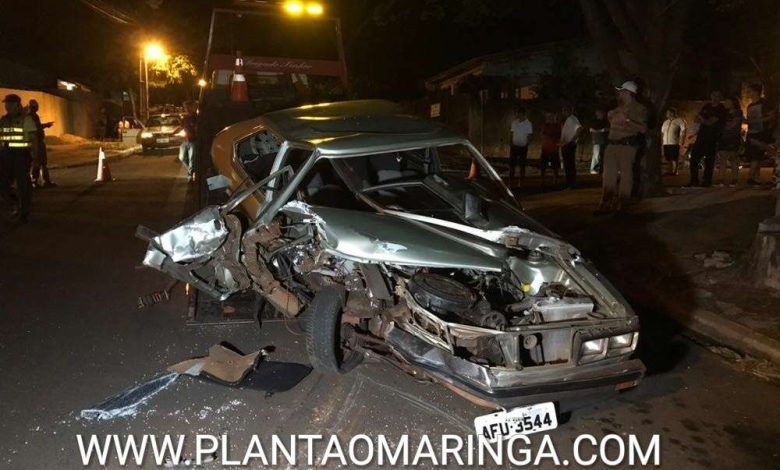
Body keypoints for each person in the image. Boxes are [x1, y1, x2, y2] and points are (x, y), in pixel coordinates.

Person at [596, 81, 648, 214]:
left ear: (628, 93)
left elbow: (643, 129)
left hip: (627, 147)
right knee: (608, 176)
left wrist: (628, 120)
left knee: (626, 176)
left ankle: (622, 205)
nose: (619, 93)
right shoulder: (616, 108)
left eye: (621, 91)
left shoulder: (639, 109)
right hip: (611, 145)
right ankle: (605, 204)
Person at [0, 94, 38, 222]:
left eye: (9, 104)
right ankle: (16, 204)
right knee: (3, 185)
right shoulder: (3, 120)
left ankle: (24, 211)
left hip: (21, 156)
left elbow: (34, 140)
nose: (7, 106)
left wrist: (36, 159)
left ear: (17, 105)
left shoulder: (26, 119)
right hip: (5, 156)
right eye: (6, 104)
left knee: (23, 185)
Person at [689, 91, 726, 187]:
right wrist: (702, 119)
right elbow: (696, 118)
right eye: (713, 95)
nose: (715, 98)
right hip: (701, 136)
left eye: (717, 96)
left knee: (709, 160)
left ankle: (706, 180)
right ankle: (694, 180)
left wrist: (703, 119)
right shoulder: (706, 106)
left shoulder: (721, 109)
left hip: (712, 137)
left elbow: (710, 122)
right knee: (694, 158)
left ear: (720, 97)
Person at [745, 83, 773, 185]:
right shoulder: (750, 105)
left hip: (761, 132)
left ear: (756, 92)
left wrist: (760, 120)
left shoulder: (764, 103)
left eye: (750, 90)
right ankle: (755, 178)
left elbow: (771, 116)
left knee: (757, 156)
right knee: (754, 156)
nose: (748, 93)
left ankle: (751, 177)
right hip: (752, 132)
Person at [27, 99, 55, 187]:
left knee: (43, 162)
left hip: (38, 141)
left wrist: (46, 125)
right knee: (37, 162)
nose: (37, 108)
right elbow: (35, 129)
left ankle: (45, 181)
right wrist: (46, 125)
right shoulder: (31, 116)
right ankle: (34, 181)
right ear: (33, 107)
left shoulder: (34, 116)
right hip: (36, 142)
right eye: (36, 106)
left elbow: (38, 127)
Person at [717, 96, 743, 186]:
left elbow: (733, 125)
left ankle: (734, 179)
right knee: (723, 158)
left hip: (733, 137)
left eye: (728, 102)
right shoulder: (724, 113)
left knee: (733, 158)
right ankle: (720, 179)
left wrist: (724, 125)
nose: (725, 104)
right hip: (723, 138)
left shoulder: (738, 112)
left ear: (733, 103)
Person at [507, 106, 532, 188]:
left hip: (523, 147)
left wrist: (526, 144)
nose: (518, 116)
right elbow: (511, 133)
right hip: (514, 147)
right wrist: (511, 143)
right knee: (512, 165)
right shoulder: (514, 122)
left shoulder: (528, 124)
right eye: (517, 114)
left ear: (523, 114)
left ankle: (521, 183)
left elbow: (529, 135)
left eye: (519, 114)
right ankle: (511, 183)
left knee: (522, 165)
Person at [559, 105, 582, 189]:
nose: (563, 113)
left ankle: (571, 183)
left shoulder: (572, 119)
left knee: (569, 165)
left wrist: (572, 141)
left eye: (565, 111)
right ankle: (570, 183)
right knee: (568, 164)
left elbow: (579, 129)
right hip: (566, 145)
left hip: (569, 145)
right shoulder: (569, 119)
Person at [661, 107, 686, 175]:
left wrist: (682, 140)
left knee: (674, 157)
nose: (666, 114)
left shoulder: (679, 120)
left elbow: (684, 130)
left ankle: (675, 171)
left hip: (674, 142)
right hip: (666, 142)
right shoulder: (666, 122)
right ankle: (669, 170)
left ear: (672, 113)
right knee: (668, 158)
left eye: (668, 113)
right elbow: (662, 132)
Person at [539, 111, 561, 187]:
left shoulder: (557, 125)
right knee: (543, 166)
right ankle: (542, 180)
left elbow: (558, 135)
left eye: (551, 117)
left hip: (554, 148)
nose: (550, 119)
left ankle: (555, 180)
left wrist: (550, 137)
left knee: (555, 166)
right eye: (548, 117)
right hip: (545, 148)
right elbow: (542, 134)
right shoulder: (545, 125)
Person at [179, 101, 197, 182]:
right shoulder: (185, 118)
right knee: (182, 157)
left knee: (191, 159)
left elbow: (197, 129)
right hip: (185, 140)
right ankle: (192, 170)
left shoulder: (196, 117)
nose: (186, 109)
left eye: (187, 107)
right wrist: (173, 132)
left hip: (193, 141)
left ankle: (190, 175)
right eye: (185, 107)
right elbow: (181, 127)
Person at [589, 109, 608, 174]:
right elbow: (591, 129)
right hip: (597, 141)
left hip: (603, 140)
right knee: (596, 155)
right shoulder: (595, 122)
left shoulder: (605, 121)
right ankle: (593, 169)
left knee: (601, 155)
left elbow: (607, 129)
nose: (602, 115)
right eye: (601, 114)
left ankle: (600, 169)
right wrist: (600, 131)